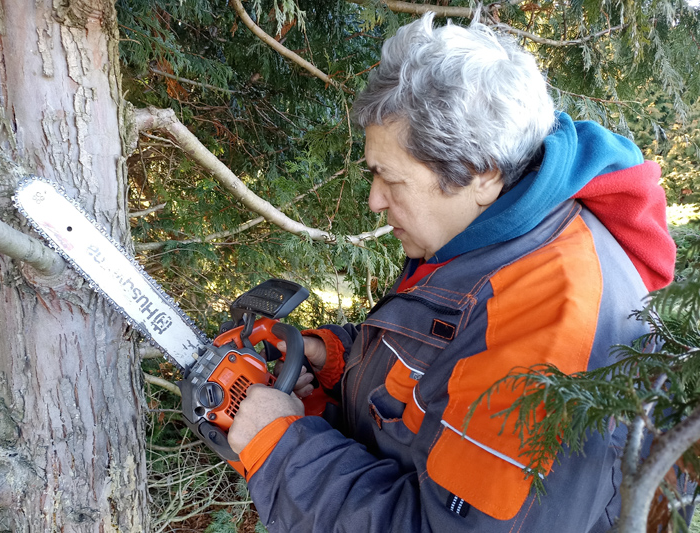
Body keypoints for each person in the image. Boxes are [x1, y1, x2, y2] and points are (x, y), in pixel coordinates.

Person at [227, 13, 676, 532]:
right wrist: (334, 359)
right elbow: (440, 365)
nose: (375, 200)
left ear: (480, 172)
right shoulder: (486, 233)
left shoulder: (551, 316)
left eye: (388, 177)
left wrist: (281, 447)